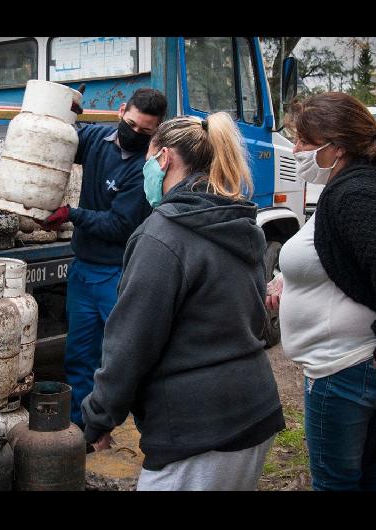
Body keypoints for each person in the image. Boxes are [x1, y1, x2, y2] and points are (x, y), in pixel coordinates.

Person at [80, 113, 285, 491]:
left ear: (164, 159)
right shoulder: (240, 221)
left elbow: (130, 344)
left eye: (147, 160)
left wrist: (97, 419)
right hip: (256, 411)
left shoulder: (162, 236)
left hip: (198, 431)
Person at [266, 92, 376, 491]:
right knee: (365, 473)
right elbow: (342, 253)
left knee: (335, 482)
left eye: (303, 143)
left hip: (343, 367)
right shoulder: (350, 184)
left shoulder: (356, 193)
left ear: (335, 147)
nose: (296, 151)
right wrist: (291, 279)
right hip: (347, 365)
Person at [40, 87, 167, 430]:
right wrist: (61, 116)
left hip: (117, 273)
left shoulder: (146, 170)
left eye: (146, 131)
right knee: (79, 353)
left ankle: (141, 424)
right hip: (83, 269)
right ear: (121, 110)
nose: (135, 134)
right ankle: (83, 427)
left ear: (157, 130)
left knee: (123, 357)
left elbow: (119, 224)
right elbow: (60, 142)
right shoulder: (97, 138)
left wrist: (71, 214)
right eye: (132, 124)